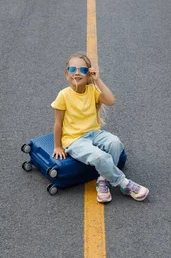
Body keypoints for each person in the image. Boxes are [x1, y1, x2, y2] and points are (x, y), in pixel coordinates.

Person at [51, 53, 149, 203]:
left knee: (115, 143)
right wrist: (58, 146)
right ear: (66, 73)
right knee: (99, 156)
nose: (77, 73)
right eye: (72, 69)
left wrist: (98, 80)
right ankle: (125, 184)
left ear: (89, 74)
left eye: (83, 70)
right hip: (74, 140)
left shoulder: (92, 90)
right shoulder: (63, 95)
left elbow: (111, 100)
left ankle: (103, 181)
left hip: (94, 133)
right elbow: (58, 123)